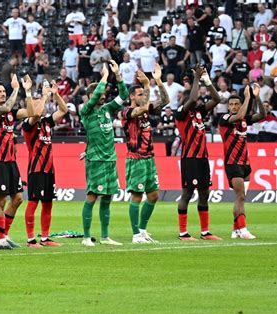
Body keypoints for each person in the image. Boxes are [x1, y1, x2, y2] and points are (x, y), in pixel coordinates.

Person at [79, 61, 128, 247]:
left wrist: (118, 75)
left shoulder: (108, 109)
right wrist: (104, 78)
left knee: (108, 198)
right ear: (89, 96)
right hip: (95, 160)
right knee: (92, 197)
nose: (102, 96)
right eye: (98, 94)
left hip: (110, 160)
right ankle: (85, 237)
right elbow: (95, 96)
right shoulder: (86, 111)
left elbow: (124, 95)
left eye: (103, 95)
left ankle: (105, 237)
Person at [120, 64, 169, 243]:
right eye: (139, 94)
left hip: (149, 159)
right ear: (132, 96)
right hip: (136, 159)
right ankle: (135, 235)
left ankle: (142, 231)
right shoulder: (126, 112)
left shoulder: (146, 111)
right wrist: (147, 85)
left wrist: (158, 81)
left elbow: (165, 101)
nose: (142, 97)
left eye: (143, 94)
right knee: (137, 196)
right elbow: (141, 109)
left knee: (154, 195)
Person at [174, 65, 222, 241]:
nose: (200, 100)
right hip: (190, 158)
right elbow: (193, 98)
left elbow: (217, 99)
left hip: (203, 158)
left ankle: (205, 232)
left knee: (204, 193)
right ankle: (183, 233)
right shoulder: (180, 113)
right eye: (197, 99)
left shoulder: (199, 113)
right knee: (187, 193)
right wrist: (196, 78)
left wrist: (207, 81)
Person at [0, 74, 31, 249]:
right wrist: (16, 88)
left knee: (18, 198)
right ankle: (1, 238)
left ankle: (5, 235)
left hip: (11, 161)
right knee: (1, 201)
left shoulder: (10, 113)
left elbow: (33, 113)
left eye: (4, 91)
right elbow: (5, 108)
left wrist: (28, 92)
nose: (3, 94)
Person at [22, 80, 68, 248]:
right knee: (33, 202)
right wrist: (45, 95)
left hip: (49, 169)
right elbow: (36, 112)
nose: (38, 106)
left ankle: (46, 238)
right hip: (36, 169)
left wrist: (55, 94)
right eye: (34, 104)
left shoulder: (47, 122)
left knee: (48, 203)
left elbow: (64, 110)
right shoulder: (28, 124)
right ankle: (31, 239)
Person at [219, 84, 266, 239]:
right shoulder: (225, 118)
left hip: (245, 164)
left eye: (236, 104)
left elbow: (262, 115)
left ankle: (235, 230)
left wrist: (257, 97)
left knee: (240, 197)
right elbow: (238, 116)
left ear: (240, 106)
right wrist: (247, 97)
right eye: (231, 104)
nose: (233, 107)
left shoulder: (244, 119)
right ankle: (243, 229)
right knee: (240, 196)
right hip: (232, 164)